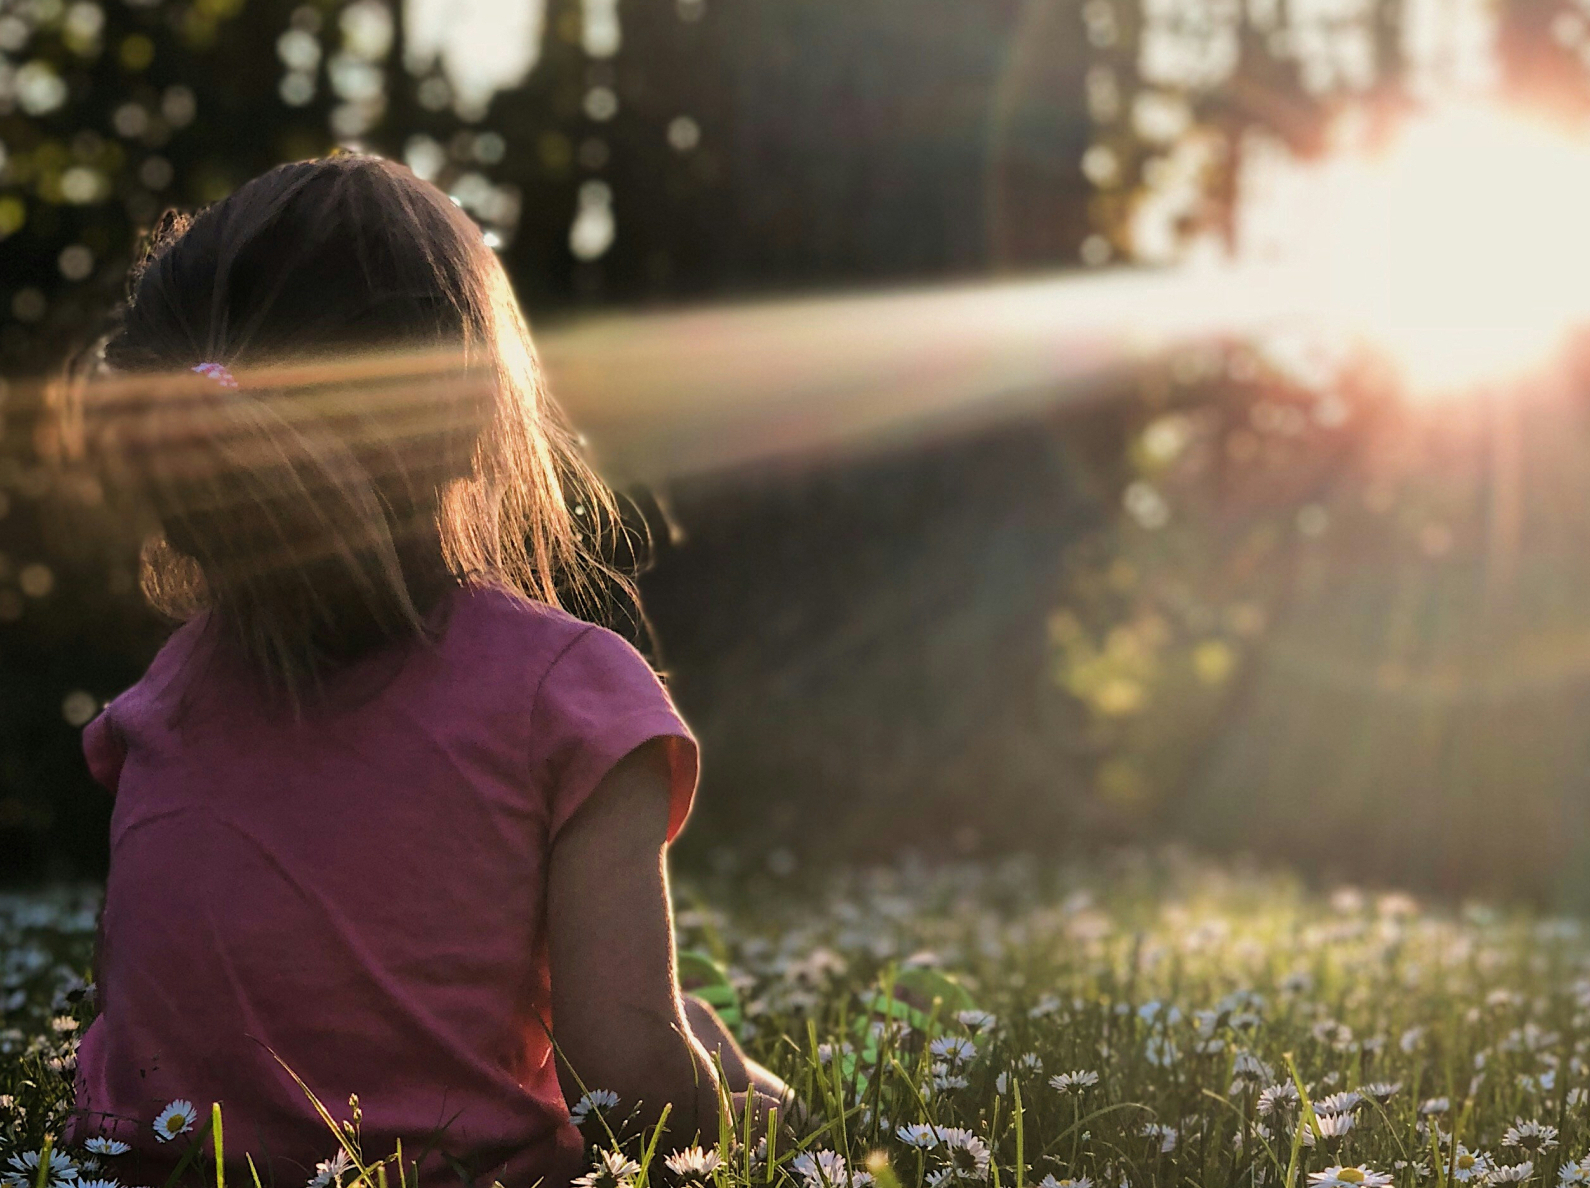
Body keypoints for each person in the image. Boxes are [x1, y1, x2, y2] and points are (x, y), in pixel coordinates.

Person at [58, 152, 791, 1188]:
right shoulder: (568, 696)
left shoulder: (156, 707)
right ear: (465, 417)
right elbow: (625, 1085)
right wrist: (753, 1107)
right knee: (700, 1053)